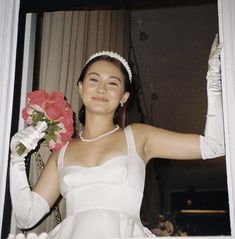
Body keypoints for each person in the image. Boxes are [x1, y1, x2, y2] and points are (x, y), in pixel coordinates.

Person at [9, 35, 224, 239]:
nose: (102, 88)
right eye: (94, 80)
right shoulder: (62, 152)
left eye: (112, 83)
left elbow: (214, 146)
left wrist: (214, 83)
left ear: (124, 97)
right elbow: (26, 217)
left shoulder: (139, 136)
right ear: (81, 89)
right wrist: (16, 159)